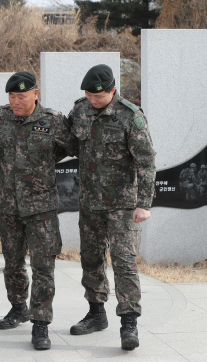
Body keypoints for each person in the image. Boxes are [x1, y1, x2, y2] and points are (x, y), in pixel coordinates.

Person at [67, 64, 156, 351]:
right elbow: (65, 141)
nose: (93, 100)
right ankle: (96, 314)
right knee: (91, 260)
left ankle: (129, 322)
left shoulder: (131, 116)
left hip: (123, 204)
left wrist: (143, 204)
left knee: (124, 262)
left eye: (99, 96)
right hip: (90, 202)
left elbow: (146, 161)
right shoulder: (79, 111)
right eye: (89, 95)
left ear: (113, 90)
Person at [0, 71, 73, 350]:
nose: (15, 102)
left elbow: (70, 147)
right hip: (9, 206)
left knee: (43, 267)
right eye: (11, 96)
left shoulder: (53, 120)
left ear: (36, 93)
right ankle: (18, 307)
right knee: (12, 263)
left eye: (21, 96)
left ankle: (41, 323)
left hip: (42, 208)